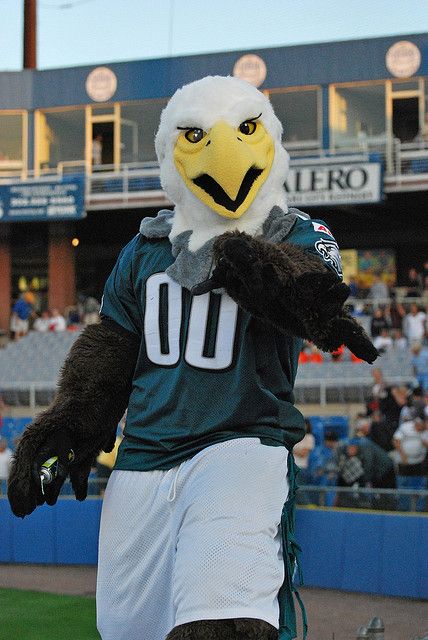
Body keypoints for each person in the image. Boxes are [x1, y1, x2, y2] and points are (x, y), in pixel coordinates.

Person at [7, 76, 378, 640]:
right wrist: (76, 418)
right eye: (197, 137)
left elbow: (317, 296)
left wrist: (248, 263)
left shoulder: (295, 230)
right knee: (127, 628)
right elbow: (113, 342)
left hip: (240, 447)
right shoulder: (144, 249)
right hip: (142, 460)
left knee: (221, 614)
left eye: (247, 131)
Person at [393, 411, 428, 511]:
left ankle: (419, 510)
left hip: (419, 464)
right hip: (404, 463)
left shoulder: (425, 432)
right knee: (404, 486)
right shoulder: (406, 427)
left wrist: (424, 442)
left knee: (419, 488)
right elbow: (396, 441)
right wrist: (403, 456)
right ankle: (403, 509)